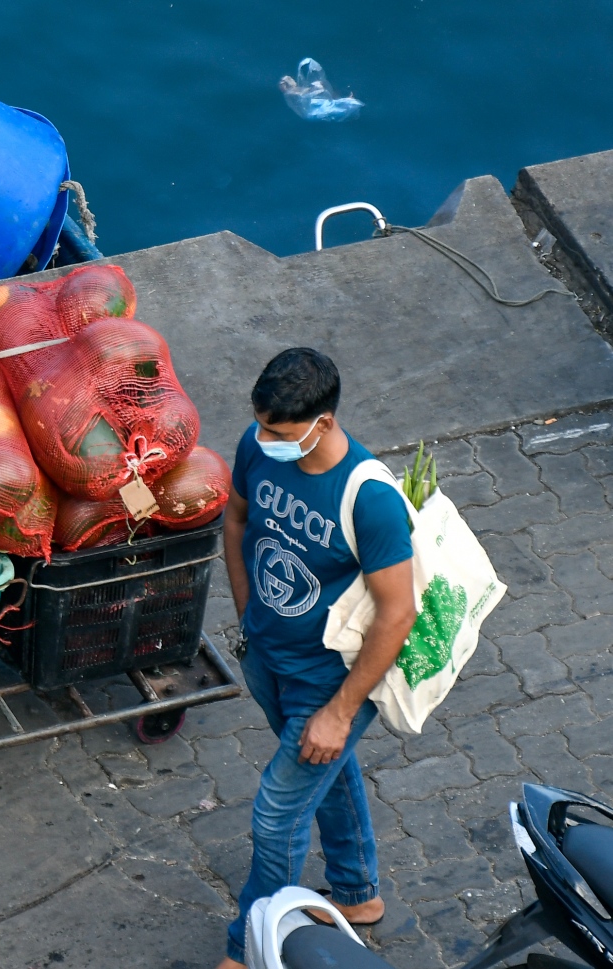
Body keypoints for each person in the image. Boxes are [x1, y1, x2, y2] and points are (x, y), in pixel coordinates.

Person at [216, 348, 417, 969]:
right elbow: (236, 521)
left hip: (328, 684)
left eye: (277, 431)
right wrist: (248, 614)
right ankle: (357, 895)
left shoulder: (369, 497)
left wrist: (340, 711)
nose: (262, 439)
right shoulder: (258, 447)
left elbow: (397, 613)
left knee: (276, 818)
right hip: (268, 657)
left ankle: (247, 947)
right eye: (259, 425)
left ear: (322, 423)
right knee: (323, 771)